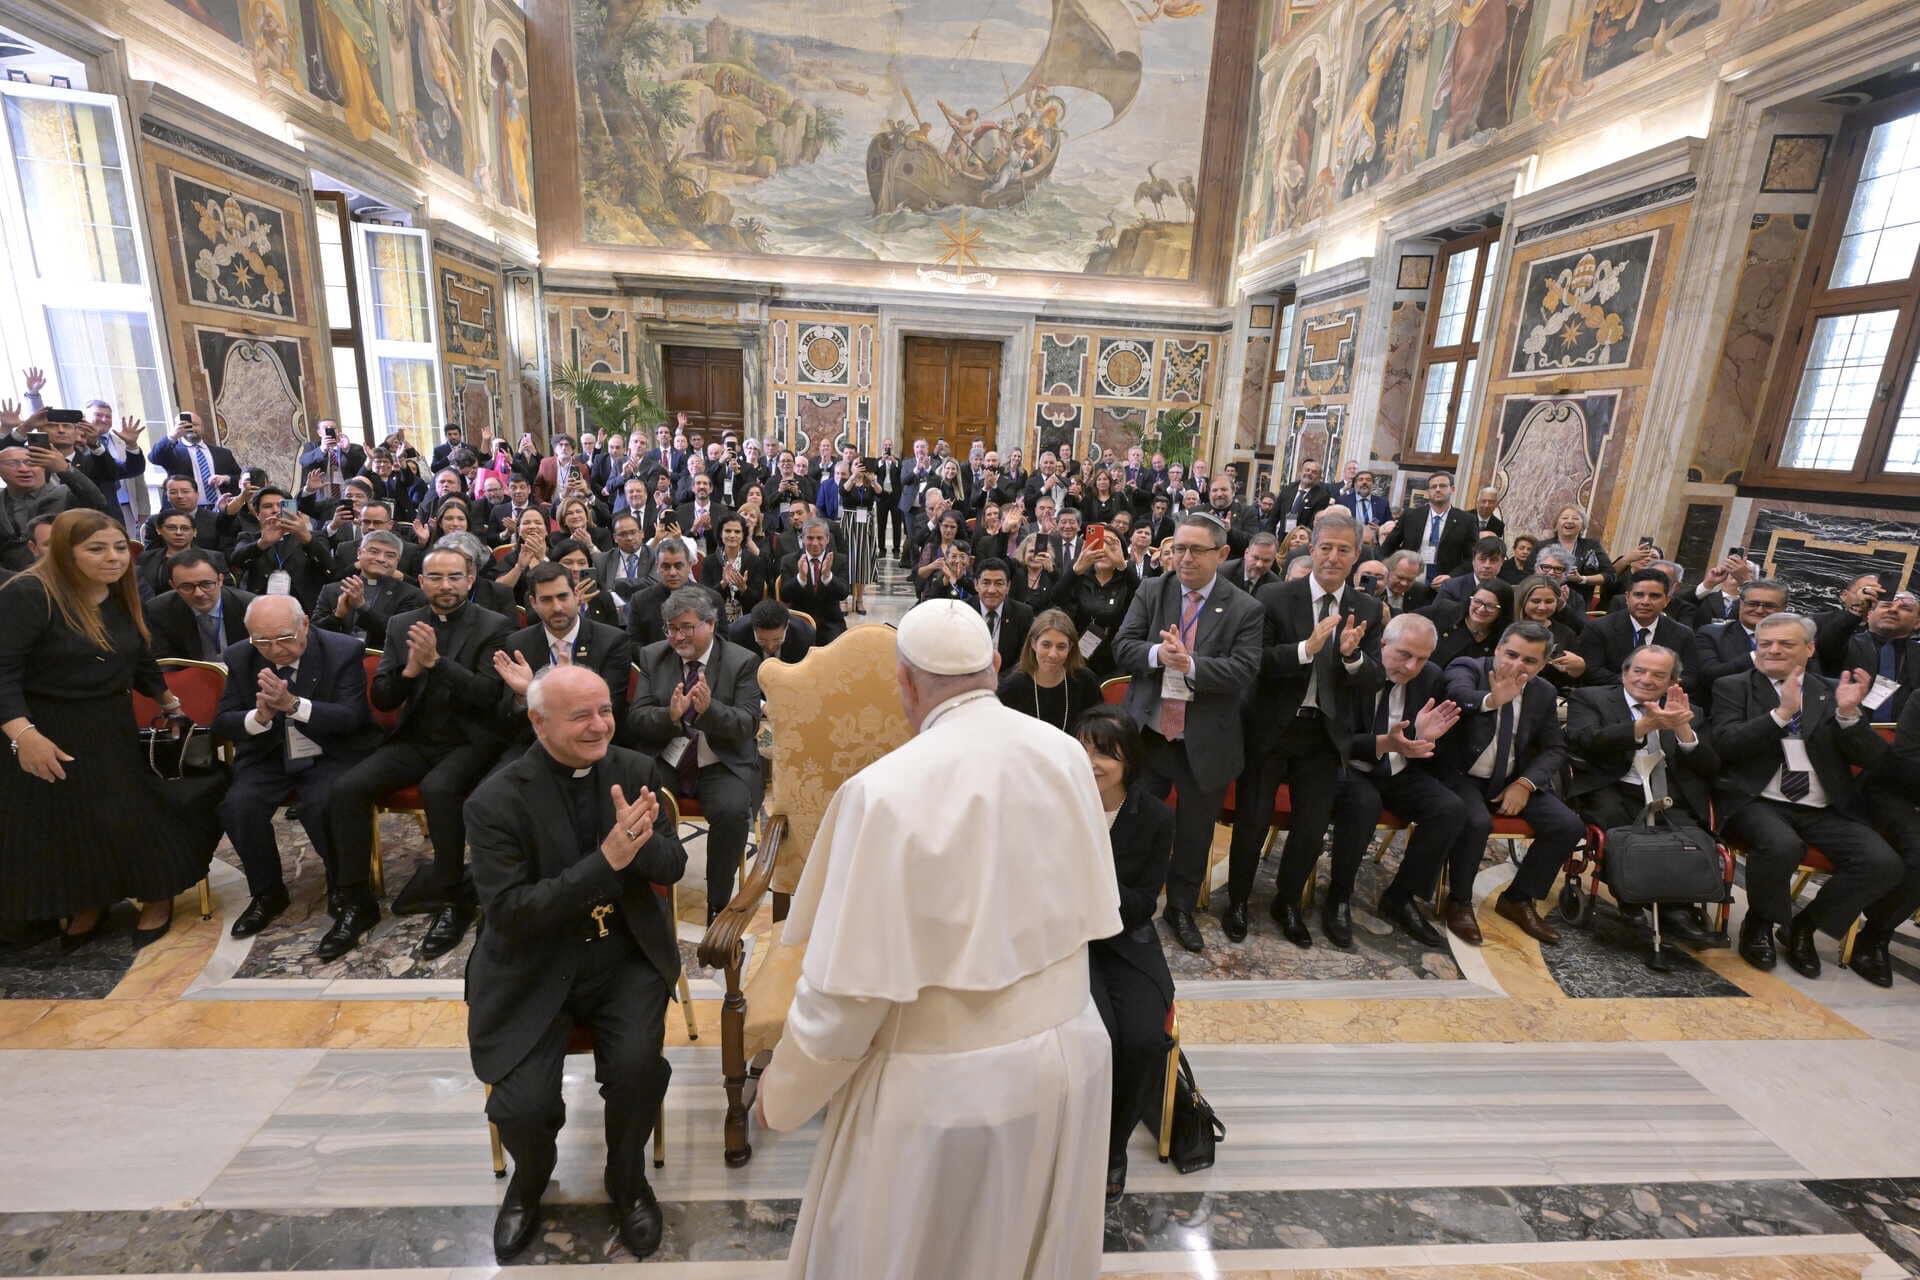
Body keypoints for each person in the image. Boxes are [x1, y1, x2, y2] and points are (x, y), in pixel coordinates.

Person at [758, 600, 1120, 1279]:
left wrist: (784, 1094)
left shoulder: (882, 793)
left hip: (951, 1095)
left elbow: (846, 996)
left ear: (905, 684)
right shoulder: (1069, 754)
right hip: (1074, 1057)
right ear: (991, 666)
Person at [467, 664, 685, 1263]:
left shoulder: (636, 771)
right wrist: (607, 859)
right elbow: (511, 915)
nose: (600, 725)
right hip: (532, 963)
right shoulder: (495, 800)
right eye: (581, 715)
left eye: (605, 710)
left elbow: (671, 869)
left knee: (639, 1068)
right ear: (538, 722)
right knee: (525, 1105)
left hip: (622, 956)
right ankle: (530, 1181)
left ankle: (627, 1178)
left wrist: (640, 848)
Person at [0, 510, 210, 948]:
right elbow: (3, 672)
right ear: (64, 552)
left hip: (109, 725)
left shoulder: (118, 592)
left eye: (119, 547)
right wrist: (25, 736)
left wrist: (166, 700)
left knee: (125, 817)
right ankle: (88, 902)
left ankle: (156, 896)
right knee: (65, 826)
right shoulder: (29, 594)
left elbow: (137, 655)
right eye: (96, 549)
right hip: (47, 730)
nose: (113, 558)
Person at [329, 545, 513, 961]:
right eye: (435, 577)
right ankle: (357, 901)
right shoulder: (401, 623)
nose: (445, 586)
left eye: (454, 577)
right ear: (421, 582)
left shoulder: (495, 625)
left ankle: (453, 899)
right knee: (347, 789)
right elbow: (383, 697)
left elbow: (488, 697)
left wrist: (436, 662)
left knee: (439, 789)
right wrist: (411, 670)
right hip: (416, 739)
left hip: (471, 740)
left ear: (469, 580)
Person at [1710, 612, 1896, 978]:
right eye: (1765, 644)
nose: (1773, 650)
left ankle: (1803, 927)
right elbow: (1726, 747)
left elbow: (1874, 759)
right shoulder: (1733, 686)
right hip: (1757, 800)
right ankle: (1760, 923)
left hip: (1822, 807)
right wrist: (1781, 714)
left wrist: (1848, 715)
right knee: (1781, 845)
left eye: (1786, 643)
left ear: (1809, 648)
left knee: (1882, 862)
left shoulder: (1831, 690)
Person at [1229, 511, 1383, 947]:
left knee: (1311, 830)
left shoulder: (1368, 608)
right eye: (1326, 547)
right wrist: (1306, 649)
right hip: (1272, 730)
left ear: (1356, 556)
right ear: (1310, 549)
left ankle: (1288, 903)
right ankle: (1238, 900)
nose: (1333, 557)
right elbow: (1256, 662)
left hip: (1323, 736)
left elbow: (1373, 679)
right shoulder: (1275, 597)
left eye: (1344, 550)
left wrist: (1351, 657)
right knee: (1252, 822)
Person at [1112, 512, 1265, 953]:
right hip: (1152, 734)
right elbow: (1123, 646)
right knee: (1134, 820)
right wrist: (1160, 654)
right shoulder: (1152, 589)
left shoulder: (1245, 607)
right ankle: (1124, 900)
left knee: (1196, 833)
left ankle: (1181, 908)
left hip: (1205, 741)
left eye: (1196, 550)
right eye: (1178, 548)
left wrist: (1192, 665)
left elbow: (1244, 669)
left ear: (1222, 554)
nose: (1184, 558)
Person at [213, 595, 381, 937]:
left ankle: (342, 885)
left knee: (322, 803)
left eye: (284, 638)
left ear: (305, 623)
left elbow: (351, 718)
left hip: (329, 749)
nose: (275, 649)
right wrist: (257, 717)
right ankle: (267, 892)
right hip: (269, 753)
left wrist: (293, 705)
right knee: (238, 806)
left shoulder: (343, 650)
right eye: (263, 641)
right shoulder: (240, 656)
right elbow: (223, 722)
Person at [1327, 612, 1476, 945]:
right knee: (1364, 803)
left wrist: (1426, 740)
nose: (1411, 667)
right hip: (1351, 767)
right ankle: (1338, 895)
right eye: (1404, 654)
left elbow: (1433, 743)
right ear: (1382, 644)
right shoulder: (1353, 672)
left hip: (1398, 768)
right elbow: (1334, 738)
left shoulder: (1431, 677)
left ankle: (1401, 896)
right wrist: (1383, 743)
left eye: (1421, 658)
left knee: (1449, 808)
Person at [1077, 705, 1173, 1201]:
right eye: (1084, 749)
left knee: (1140, 1039)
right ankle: (1072, 1140)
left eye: (1105, 754)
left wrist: (1091, 874)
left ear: (1128, 761)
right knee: (1097, 1038)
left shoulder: (1154, 816)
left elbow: (1142, 903)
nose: (1091, 761)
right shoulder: (1055, 804)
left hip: (1124, 939)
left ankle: (1112, 1148)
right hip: (1066, 941)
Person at [1566, 644, 1722, 943]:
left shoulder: (1691, 710)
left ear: (1672, 682)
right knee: (1620, 829)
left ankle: (1677, 907)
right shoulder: (1590, 698)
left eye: (1658, 675)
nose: (1647, 679)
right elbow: (1585, 740)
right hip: (1610, 786)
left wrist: (1683, 731)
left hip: (1665, 790)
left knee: (1686, 833)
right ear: (1625, 673)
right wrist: (1642, 726)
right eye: (1639, 671)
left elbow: (1710, 766)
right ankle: (1632, 898)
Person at [1444, 621, 1586, 945]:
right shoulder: (1468, 667)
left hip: (1511, 778)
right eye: (1511, 654)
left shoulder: (1543, 691)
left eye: (1529, 661)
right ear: (1497, 649)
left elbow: (1555, 747)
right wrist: (1491, 700)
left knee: (1568, 826)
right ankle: (1459, 901)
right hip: (1460, 775)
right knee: (1476, 822)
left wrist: (1525, 783)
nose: (1517, 665)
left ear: (1542, 665)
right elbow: (1458, 694)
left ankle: (1518, 899)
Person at [626, 585, 762, 920]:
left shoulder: (741, 661)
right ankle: (653, 895)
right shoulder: (652, 656)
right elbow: (637, 720)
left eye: (686, 627)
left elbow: (747, 723)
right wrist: (670, 716)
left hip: (721, 761)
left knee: (731, 812)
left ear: (711, 624)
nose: (678, 636)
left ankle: (717, 902)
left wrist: (710, 710)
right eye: (671, 628)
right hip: (670, 757)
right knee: (640, 803)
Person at [492, 561, 634, 751]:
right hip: (534, 746)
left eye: (563, 596)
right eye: (547, 600)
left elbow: (609, 709)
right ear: (533, 603)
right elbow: (505, 719)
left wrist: (537, 692)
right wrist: (523, 696)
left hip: (594, 743)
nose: (557, 607)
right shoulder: (518, 644)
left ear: (576, 595)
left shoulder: (612, 641)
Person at [1576, 567, 1698, 690]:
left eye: (1654, 596)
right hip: (1609, 696)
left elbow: (1690, 678)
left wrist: (1657, 687)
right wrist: (1640, 684)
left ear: (1666, 600)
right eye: (1639, 595)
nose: (1645, 601)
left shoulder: (1683, 634)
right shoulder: (1598, 628)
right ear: (1627, 598)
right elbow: (1592, 672)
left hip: (1661, 700)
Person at [998, 606, 1103, 734]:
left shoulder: (1085, 681)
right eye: (1046, 645)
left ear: (1070, 648)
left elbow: (1096, 731)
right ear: (1033, 644)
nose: (1053, 654)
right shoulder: (1011, 686)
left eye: (1061, 647)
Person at [313, 530, 426, 644]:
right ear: (359, 553)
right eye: (374, 552)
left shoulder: (411, 594)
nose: (381, 559)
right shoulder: (332, 589)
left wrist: (362, 607)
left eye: (390, 555)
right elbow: (313, 634)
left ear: (398, 561)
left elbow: (399, 633)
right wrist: (337, 615)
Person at [229, 486, 334, 610]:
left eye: (281, 506)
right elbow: (235, 561)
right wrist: (262, 543)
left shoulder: (313, 537)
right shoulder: (249, 537)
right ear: (257, 514)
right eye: (268, 506)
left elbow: (331, 568)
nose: (275, 510)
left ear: (292, 510)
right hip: (261, 607)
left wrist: (306, 538)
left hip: (303, 609)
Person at [1691, 577, 1788, 709]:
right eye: (1753, 604)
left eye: (1769, 606)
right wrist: (1757, 655)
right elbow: (1709, 676)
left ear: (1783, 608)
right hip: (1723, 714)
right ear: (1741, 604)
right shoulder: (1710, 635)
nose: (1759, 610)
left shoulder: (1796, 642)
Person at [145, 549, 255, 661]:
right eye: (187, 586)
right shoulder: (158, 610)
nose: (199, 593)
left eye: (206, 584)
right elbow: (165, 661)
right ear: (173, 585)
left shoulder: (250, 606)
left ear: (220, 580)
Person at [1051, 533, 1136, 677]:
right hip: (1078, 652)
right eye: (1099, 545)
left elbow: (1141, 598)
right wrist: (1075, 570)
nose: (1104, 551)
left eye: (1111, 546)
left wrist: (1122, 566)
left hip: (1114, 656)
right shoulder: (1079, 572)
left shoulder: (1127, 578)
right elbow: (1056, 598)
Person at [1379, 471, 1477, 581]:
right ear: (1428, 491)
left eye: (1443, 486)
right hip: (1409, 581)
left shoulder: (1467, 520)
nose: (1438, 489)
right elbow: (1387, 548)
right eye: (1433, 487)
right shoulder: (1410, 516)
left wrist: (1452, 577)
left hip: (1445, 583)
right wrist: (1390, 570)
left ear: (1452, 489)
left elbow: (1472, 558)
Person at [779, 521, 852, 643]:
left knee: (835, 652)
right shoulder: (789, 560)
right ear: (802, 539)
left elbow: (844, 593)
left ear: (827, 539)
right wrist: (800, 578)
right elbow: (784, 596)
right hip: (799, 622)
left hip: (830, 622)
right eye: (810, 538)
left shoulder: (839, 560)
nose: (815, 543)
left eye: (819, 538)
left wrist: (828, 577)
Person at [149, 412, 241, 507]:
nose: (191, 428)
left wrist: (226, 478)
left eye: (195, 424)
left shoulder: (223, 453)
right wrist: (173, 436)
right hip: (185, 510)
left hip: (221, 508)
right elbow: (154, 458)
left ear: (202, 428)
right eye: (184, 425)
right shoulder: (171, 451)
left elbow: (240, 478)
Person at [696, 513, 768, 628]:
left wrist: (743, 588)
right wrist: (723, 584)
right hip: (714, 622)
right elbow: (705, 599)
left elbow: (757, 602)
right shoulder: (709, 561)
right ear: (720, 533)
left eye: (737, 532)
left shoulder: (755, 562)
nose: (732, 535)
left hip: (746, 622)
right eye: (728, 531)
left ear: (744, 535)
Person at [624, 537, 695, 649]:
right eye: (666, 567)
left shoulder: (710, 598)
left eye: (678, 566)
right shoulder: (640, 601)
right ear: (657, 566)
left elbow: (719, 644)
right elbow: (633, 645)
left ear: (689, 566)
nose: (672, 573)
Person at [1544, 505, 1618, 609]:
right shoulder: (1542, 546)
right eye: (1565, 518)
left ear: (1583, 525)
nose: (1569, 521)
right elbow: (1528, 574)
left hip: (1578, 605)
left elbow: (1610, 576)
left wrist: (1582, 579)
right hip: (1544, 601)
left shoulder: (1592, 546)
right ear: (1556, 524)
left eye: (1575, 518)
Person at [730, 597, 814, 664]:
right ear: (753, 628)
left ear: (787, 626)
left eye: (777, 640)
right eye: (762, 640)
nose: (770, 647)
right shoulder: (736, 634)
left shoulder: (804, 636)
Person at [1278, 459, 1333, 536]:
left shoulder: (1322, 496)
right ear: (1301, 472)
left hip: (1303, 540)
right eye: (1307, 470)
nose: (1309, 473)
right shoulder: (1288, 489)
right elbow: (1273, 517)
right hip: (1282, 538)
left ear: (1319, 478)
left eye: (1314, 472)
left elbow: (1313, 525)